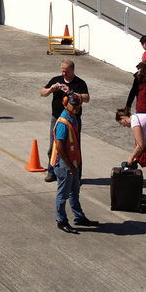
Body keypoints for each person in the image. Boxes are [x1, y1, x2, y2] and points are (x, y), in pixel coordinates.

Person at [51, 93, 97, 233]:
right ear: (66, 103)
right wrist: (70, 166)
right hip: (65, 165)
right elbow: (59, 147)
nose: (76, 107)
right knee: (63, 194)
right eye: (73, 104)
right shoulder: (63, 123)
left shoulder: (74, 118)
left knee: (74, 192)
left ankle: (79, 217)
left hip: (73, 163)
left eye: (78, 105)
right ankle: (61, 220)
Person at [40, 60, 90, 183]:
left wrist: (71, 92)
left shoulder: (79, 83)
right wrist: (51, 89)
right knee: (54, 146)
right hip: (57, 119)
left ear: (72, 70)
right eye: (62, 70)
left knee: (75, 147)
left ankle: (77, 175)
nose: (63, 73)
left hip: (73, 120)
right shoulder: (55, 79)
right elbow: (42, 92)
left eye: (66, 71)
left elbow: (87, 98)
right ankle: (51, 172)